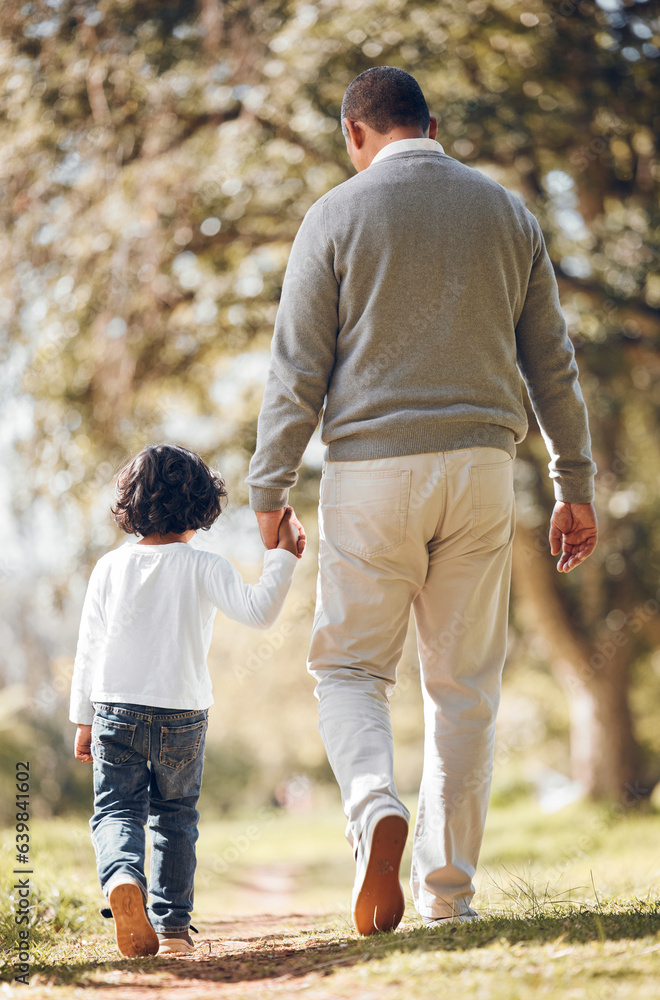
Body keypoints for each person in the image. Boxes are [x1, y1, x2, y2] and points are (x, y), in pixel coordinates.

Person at [246, 67, 598, 935]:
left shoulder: (334, 214)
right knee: (464, 690)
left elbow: (297, 369)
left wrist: (270, 489)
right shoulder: (508, 213)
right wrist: (574, 485)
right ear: (433, 124)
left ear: (354, 134)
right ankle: (450, 897)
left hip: (370, 475)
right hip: (484, 470)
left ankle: (374, 807)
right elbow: (552, 363)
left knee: (351, 669)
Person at [70, 444, 302, 957]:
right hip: (182, 713)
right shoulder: (205, 565)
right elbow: (259, 611)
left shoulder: (109, 568)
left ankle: (122, 879)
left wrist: (82, 720)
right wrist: (283, 554)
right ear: (200, 505)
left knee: (116, 809)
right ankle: (173, 930)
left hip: (114, 708)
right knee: (175, 817)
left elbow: (89, 648)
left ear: (132, 504)